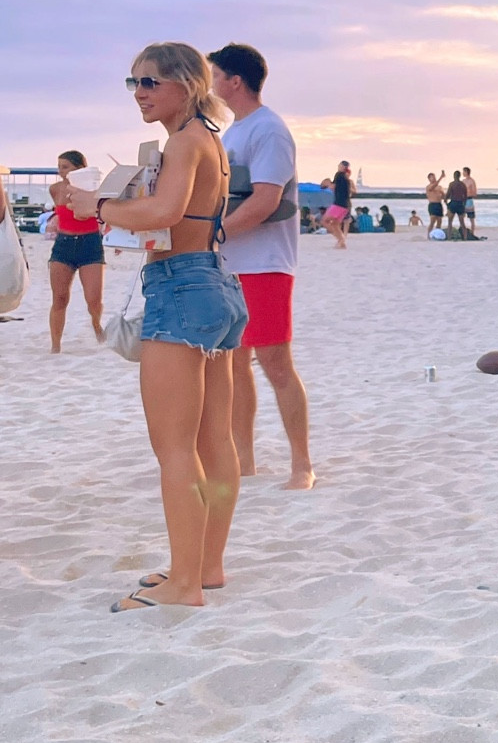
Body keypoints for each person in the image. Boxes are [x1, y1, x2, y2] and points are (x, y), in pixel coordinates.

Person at [68, 44, 246, 610]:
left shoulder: (185, 141)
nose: (140, 92)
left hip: (181, 286)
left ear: (186, 85)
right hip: (214, 281)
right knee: (213, 439)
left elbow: (166, 213)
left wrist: (98, 207)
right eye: (132, 82)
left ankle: (185, 585)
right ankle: (205, 566)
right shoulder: (207, 140)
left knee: (173, 447)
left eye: (150, 82)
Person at [208, 44, 315, 494]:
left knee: (276, 363)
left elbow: (267, 199)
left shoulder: (269, 130)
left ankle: (302, 464)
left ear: (236, 81)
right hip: (233, 264)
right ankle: (245, 459)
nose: (211, 83)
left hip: (267, 263)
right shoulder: (233, 131)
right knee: (235, 363)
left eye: (215, 75)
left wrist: (214, 235)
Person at [47, 149, 106, 350]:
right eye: (59, 167)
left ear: (80, 168)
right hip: (63, 245)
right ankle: (55, 345)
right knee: (60, 298)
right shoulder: (55, 189)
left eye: (65, 167)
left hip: (90, 244)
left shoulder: (93, 189)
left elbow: (102, 214)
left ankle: (96, 325)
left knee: (93, 300)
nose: (61, 171)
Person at [324, 161, 352, 247]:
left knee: (325, 221)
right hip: (346, 205)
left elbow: (333, 187)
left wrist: (327, 185)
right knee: (335, 224)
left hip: (339, 203)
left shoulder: (339, 175)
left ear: (343, 167)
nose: (338, 166)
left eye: (339, 165)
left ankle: (341, 239)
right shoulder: (346, 178)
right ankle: (341, 242)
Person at [445, 169, 468, 237]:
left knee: (450, 222)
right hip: (460, 204)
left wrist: (446, 203)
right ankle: (465, 237)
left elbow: (448, 194)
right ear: (459, 176)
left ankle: (449, 237)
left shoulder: (452, 184)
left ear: (454, 176)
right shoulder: (463, 184)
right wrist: (464, 205)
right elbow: (465, 196)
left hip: (453, 203)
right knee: (462, 223)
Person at [462, 164, 480, 237]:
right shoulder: (463, 181)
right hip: (463, 200)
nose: (463, 173)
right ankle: (463, 233)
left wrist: (469, 194)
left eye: (464, 172)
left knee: (471, 218)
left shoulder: (472, 181)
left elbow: (475, 192)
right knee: (462, 217)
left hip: (469, 200)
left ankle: (472, 233)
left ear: (466, 172)